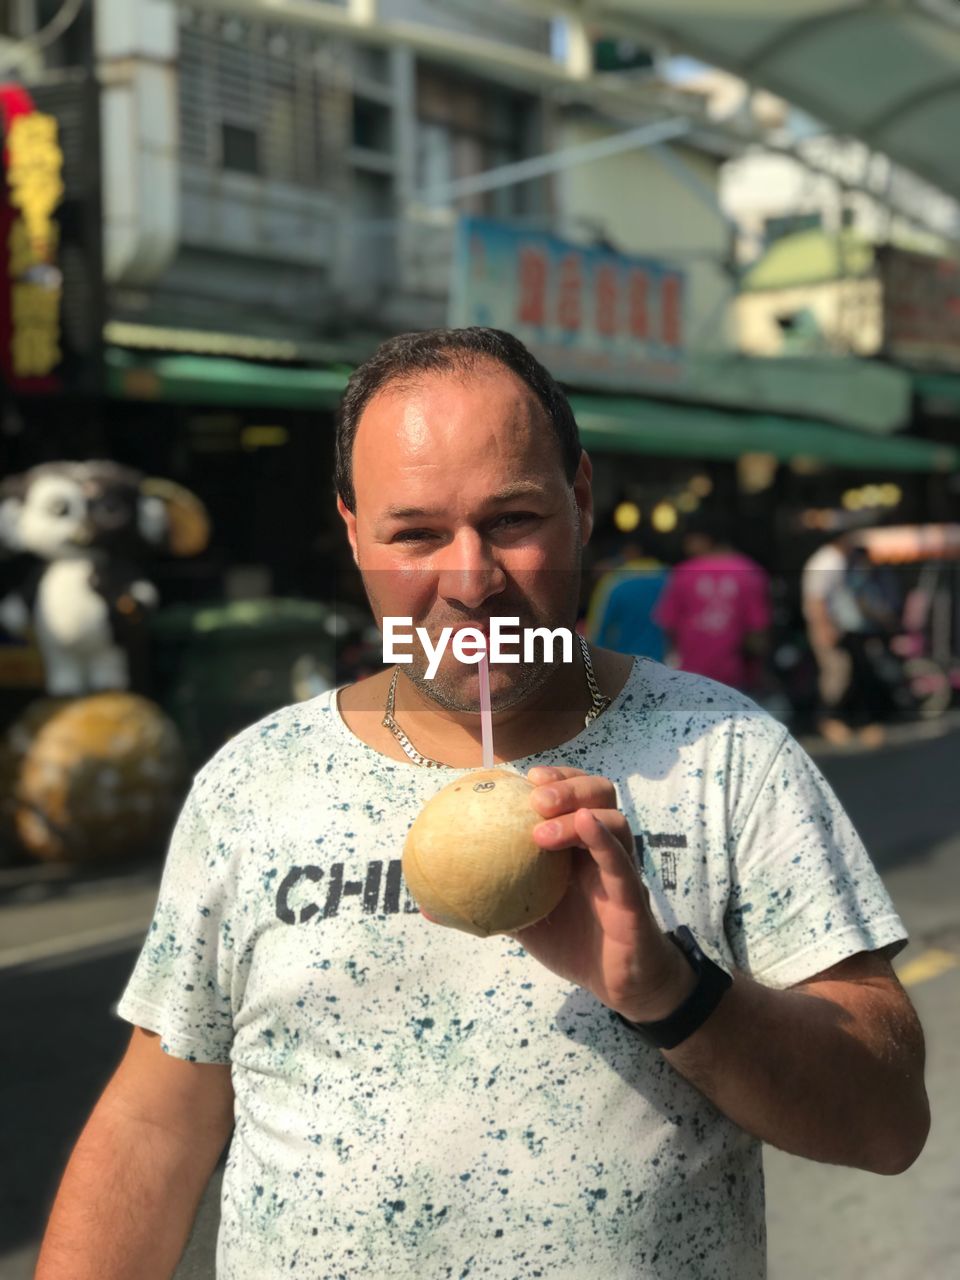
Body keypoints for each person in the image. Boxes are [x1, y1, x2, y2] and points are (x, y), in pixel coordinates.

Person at [36, 328, 928, 1280]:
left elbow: (886, 1120)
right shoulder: (256, 784)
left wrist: (675, 994)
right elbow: (154, 1128)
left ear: (580, 500)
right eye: (415, 533)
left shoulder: (724, 756)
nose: (471, 582)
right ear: (352, 531)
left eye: (511, 520)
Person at [654, 510, 772, 693]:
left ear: (703, 539)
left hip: (690, 679)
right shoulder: (751, 572)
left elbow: (668, 627)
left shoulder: (683, 573)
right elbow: (758, 633)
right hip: (736, 682)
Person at [802, 532, 899, 746]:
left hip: (845, 628)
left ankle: (852, 721)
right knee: (837, 674)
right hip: (830, 628)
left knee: (854, 673)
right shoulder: (827, 561)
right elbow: (815, 599)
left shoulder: (841, 560)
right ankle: (827, 719)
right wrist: (823, 628)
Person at [585, 537, 669, 660]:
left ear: (631, 551)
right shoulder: (671, 580)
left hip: (624, 666)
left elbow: (598, 630)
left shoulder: (613, 582)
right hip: (664, 667)